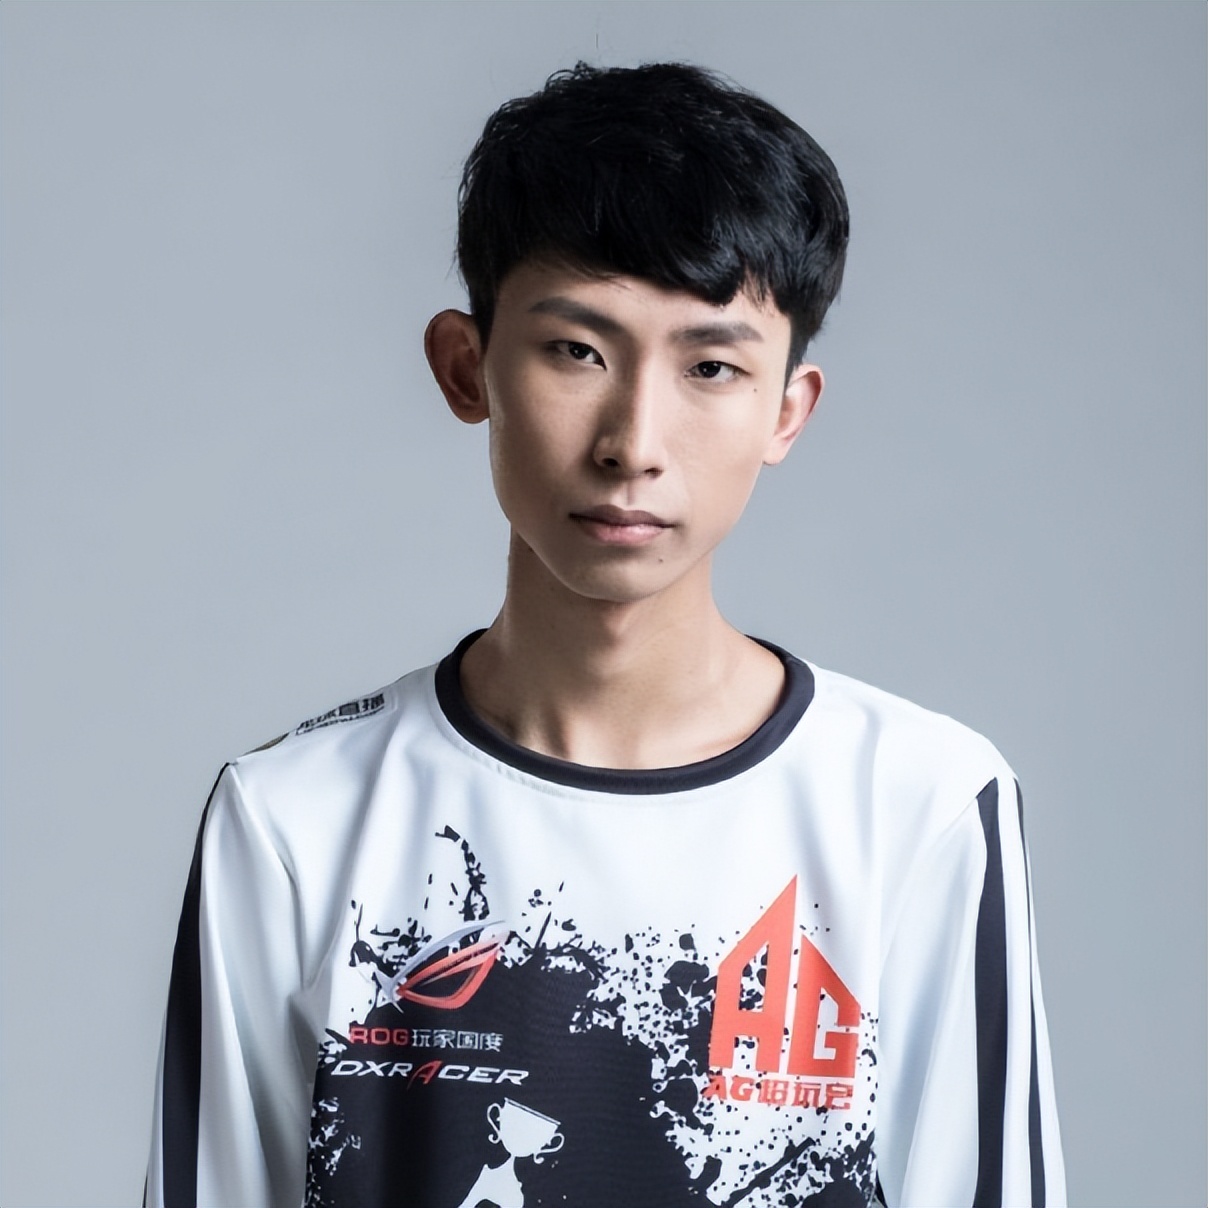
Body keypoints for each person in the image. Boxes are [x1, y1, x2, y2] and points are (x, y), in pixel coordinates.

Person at [145, 62, 1064, 1207]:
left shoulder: (917, 804)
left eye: (710, 367)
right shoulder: (295, 815)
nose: (634, 440)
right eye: (576, 350)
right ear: (466, 366)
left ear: (784, 411)